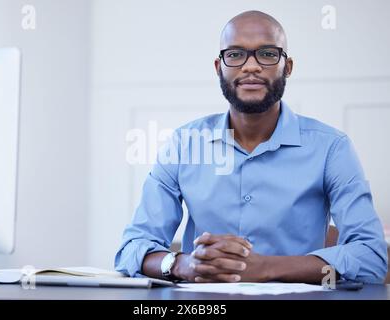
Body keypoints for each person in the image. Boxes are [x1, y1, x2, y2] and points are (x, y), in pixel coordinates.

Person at [114, 10, 388, 284]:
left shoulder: (332, 148)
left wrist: (264, 267)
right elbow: (132, 249)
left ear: (288, 66)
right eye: (235, 54)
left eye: (267, 54)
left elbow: (371, 258)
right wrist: (182, 264)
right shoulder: (184, 144)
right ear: (218, 67)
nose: (250, 66)